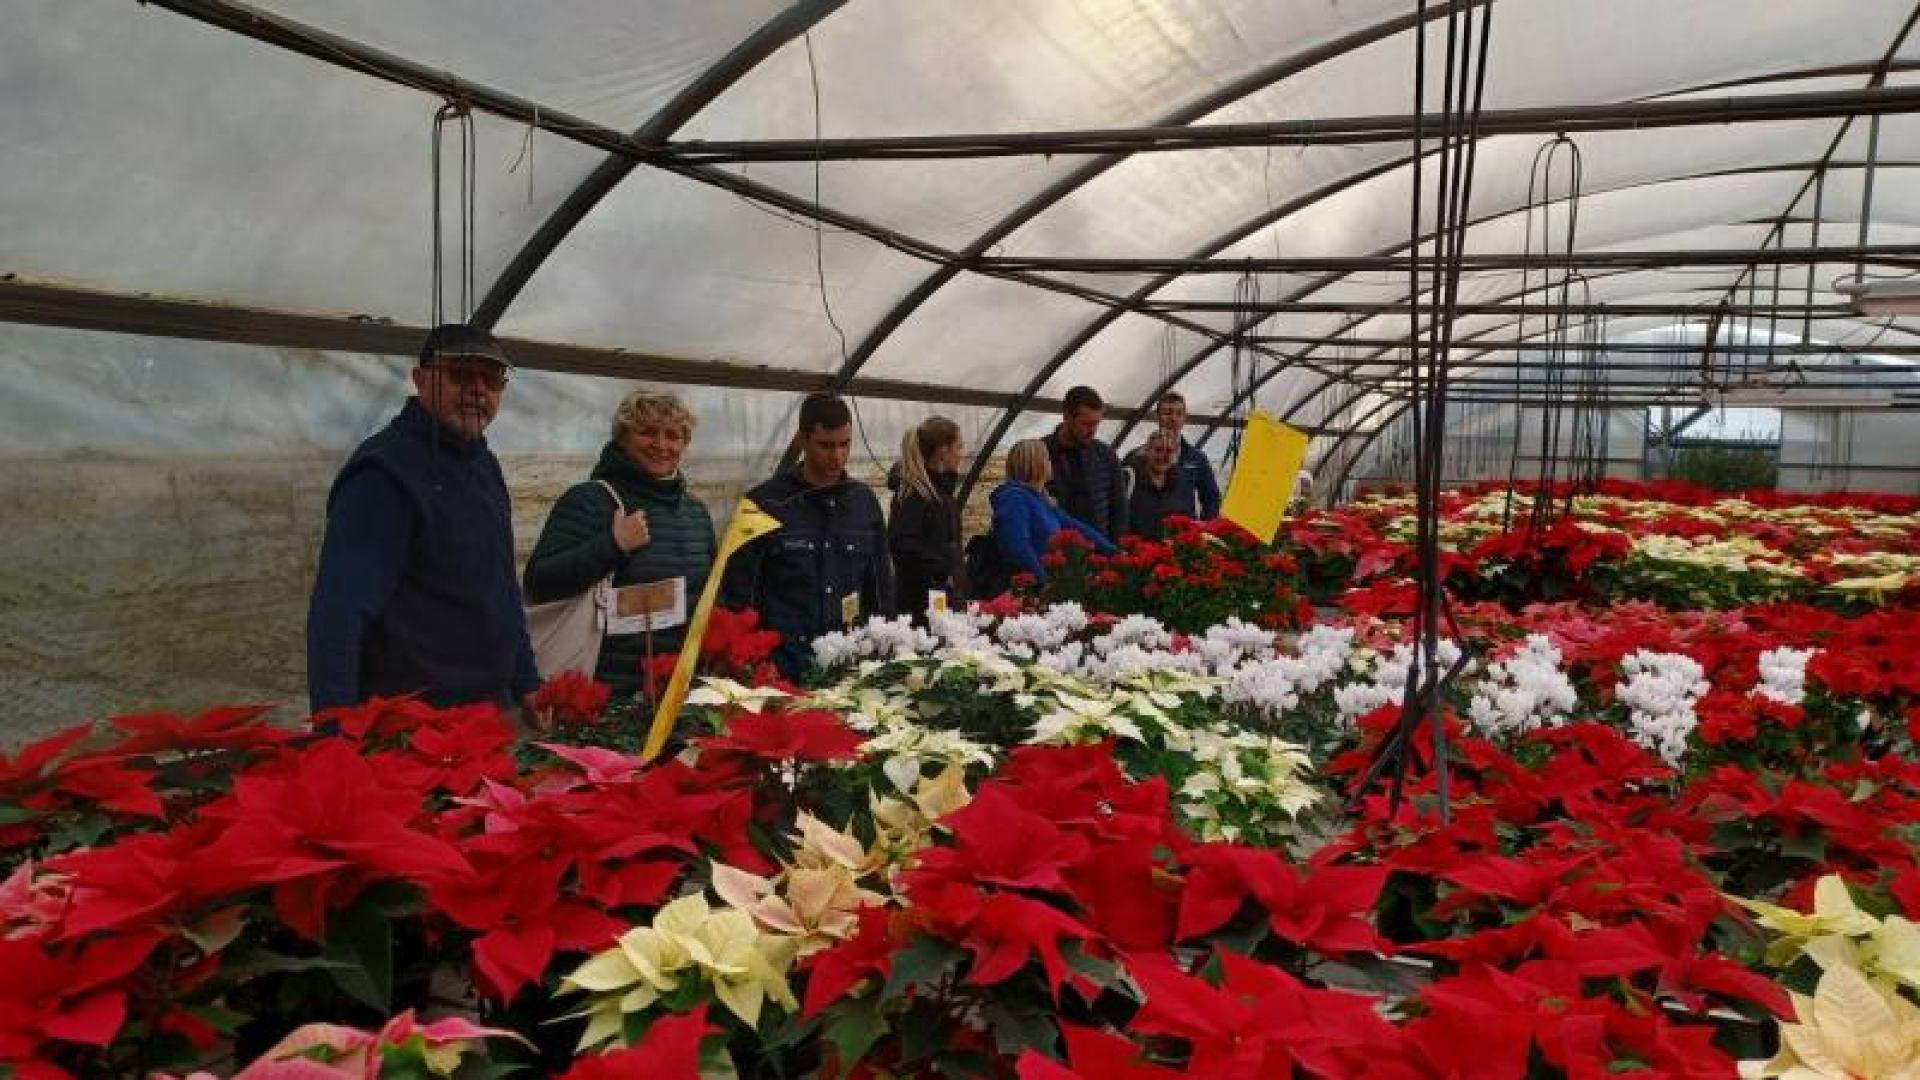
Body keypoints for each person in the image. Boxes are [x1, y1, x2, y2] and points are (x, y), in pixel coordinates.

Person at [306, 324, 541, 720]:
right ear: (420, 380)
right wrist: (334, 730)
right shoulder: (385, 473)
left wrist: (526, 679)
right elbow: (340, 611)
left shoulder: (484, 465)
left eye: (492, 380)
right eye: (461, 375)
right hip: (414, 722)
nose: (478, 390)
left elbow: (501, 586)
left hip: (490, 708)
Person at [523, 389, 717, 697]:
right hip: (605, 695)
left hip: (679, 692)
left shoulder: (696, 513)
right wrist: (613, 544)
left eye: (673, 435)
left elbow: (710, 598)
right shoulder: (589, 500)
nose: (661, 445)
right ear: (623, 438)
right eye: (647, 432)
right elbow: (539, 583)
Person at [720, 393, 892, 678]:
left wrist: (881, 649)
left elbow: (880, 587)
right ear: (802, 440)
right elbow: (739, 594)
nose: (837, 456)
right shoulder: (765, 505)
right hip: (783, 668)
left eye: (845, 444)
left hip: (848, 665)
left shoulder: (863, 503)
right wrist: (755, 661)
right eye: (826, 445)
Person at [991, 438, 1116, 582]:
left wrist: (1113, 551)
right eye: (1047, 459)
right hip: (1028, 584)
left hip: (1046, 578)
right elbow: (1018, 546)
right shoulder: (1015, 499)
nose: (1050, 464)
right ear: (1036, 464)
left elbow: (1075, 527)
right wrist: (1043, 580)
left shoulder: (1041, 499)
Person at [887, 416, 965, 618]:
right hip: (921, 605)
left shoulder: (941, 493)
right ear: (943, 450)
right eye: (958, 447)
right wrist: (943, 573)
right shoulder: (916, 495)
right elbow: (904, 546)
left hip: (942, 599)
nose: (962, 454)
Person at [1042, 385, 1128, 538]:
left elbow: (1119, 508)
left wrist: (1114, 547)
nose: (1093, 430)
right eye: (1087, 424)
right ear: (1067, 417)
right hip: (1054, 547)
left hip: (1099, 547)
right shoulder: (1041, 453)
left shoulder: (1105, 455)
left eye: (1096, 423)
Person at [1143, 391, 1222, 520]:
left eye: (1179, 413)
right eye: (1168, 413)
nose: (1173, 418)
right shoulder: (1139, 456)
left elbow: (1211, 498)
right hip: (1148, 530)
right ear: (1157, 416)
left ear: (1185, 418)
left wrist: (1203, 528)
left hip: (1184, 530)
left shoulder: (1196, 458)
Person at [1123, 429, 1199, 540]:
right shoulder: (1128, 478)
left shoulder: (1181, 484)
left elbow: (1189, 519)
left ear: (1175, 455)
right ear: (1147, 451)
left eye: (1169, 451)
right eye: (1158, 450)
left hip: (1168, 548)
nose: (1163, 456)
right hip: (1133, 548)